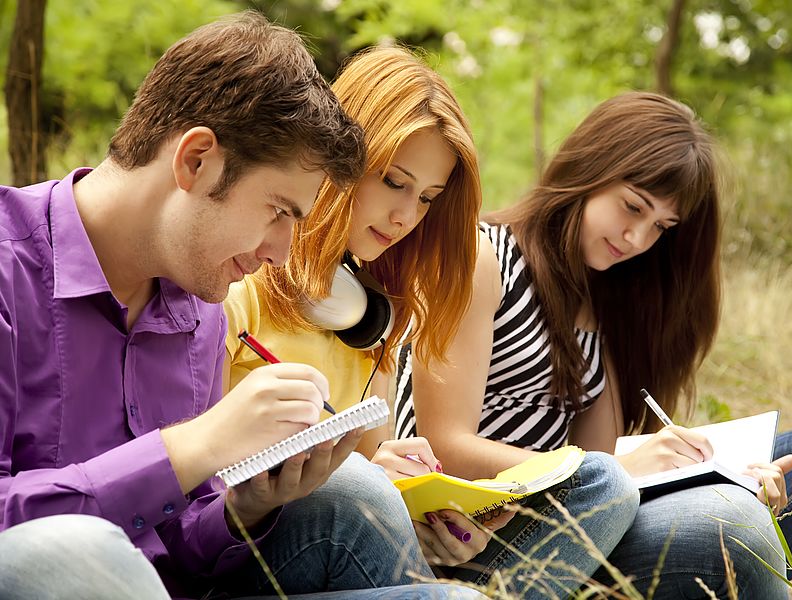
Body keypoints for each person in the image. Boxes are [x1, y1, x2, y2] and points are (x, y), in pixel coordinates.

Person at [0, 12, 482, 600]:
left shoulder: (201, 310)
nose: (282, 253)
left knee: (452, 595)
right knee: (74, 552)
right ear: (196, 160)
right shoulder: (10, 269)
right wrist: (191, 447)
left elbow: (180, 549)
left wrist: (247, 504)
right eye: (278, 210)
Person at [394, 91, 792, 599]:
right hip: (478, 538)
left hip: (581, 516)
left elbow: (603, 463)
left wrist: (715, 474)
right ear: (589, 169)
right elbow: (443, 444)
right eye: (632, 206)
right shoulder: (483, 256)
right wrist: (617, 469)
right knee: (731, 529)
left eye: (662, 227)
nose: (639, 238)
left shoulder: (602, 300)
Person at [225, 46, 639, 599]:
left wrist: (423, 511)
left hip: (351, 549)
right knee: (355, 494)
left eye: (427, 198)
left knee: (603, 483)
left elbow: (376, 464)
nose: (406, 217)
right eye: (394, 182)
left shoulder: (372, 314)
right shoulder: (236, 279)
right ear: (340, 157)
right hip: (240, 548)